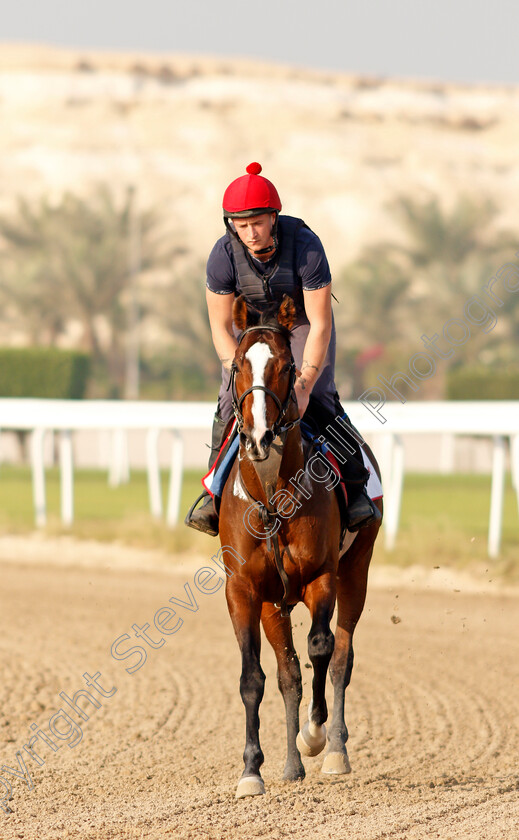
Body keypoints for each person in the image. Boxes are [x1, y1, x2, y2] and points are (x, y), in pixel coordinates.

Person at [185, 162, 379, 536]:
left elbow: (321, 323)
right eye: (241, 226)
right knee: (230, 400)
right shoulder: (222, 256)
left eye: (257, 222)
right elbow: (220, 328)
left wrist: (304, 382)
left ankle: (355, 488)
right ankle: (212, 495)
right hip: (251, 328)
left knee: (320, 394)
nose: (250, 233)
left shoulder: (306, 246)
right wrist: (236, 371)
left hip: (301, 321)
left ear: (274, 217)